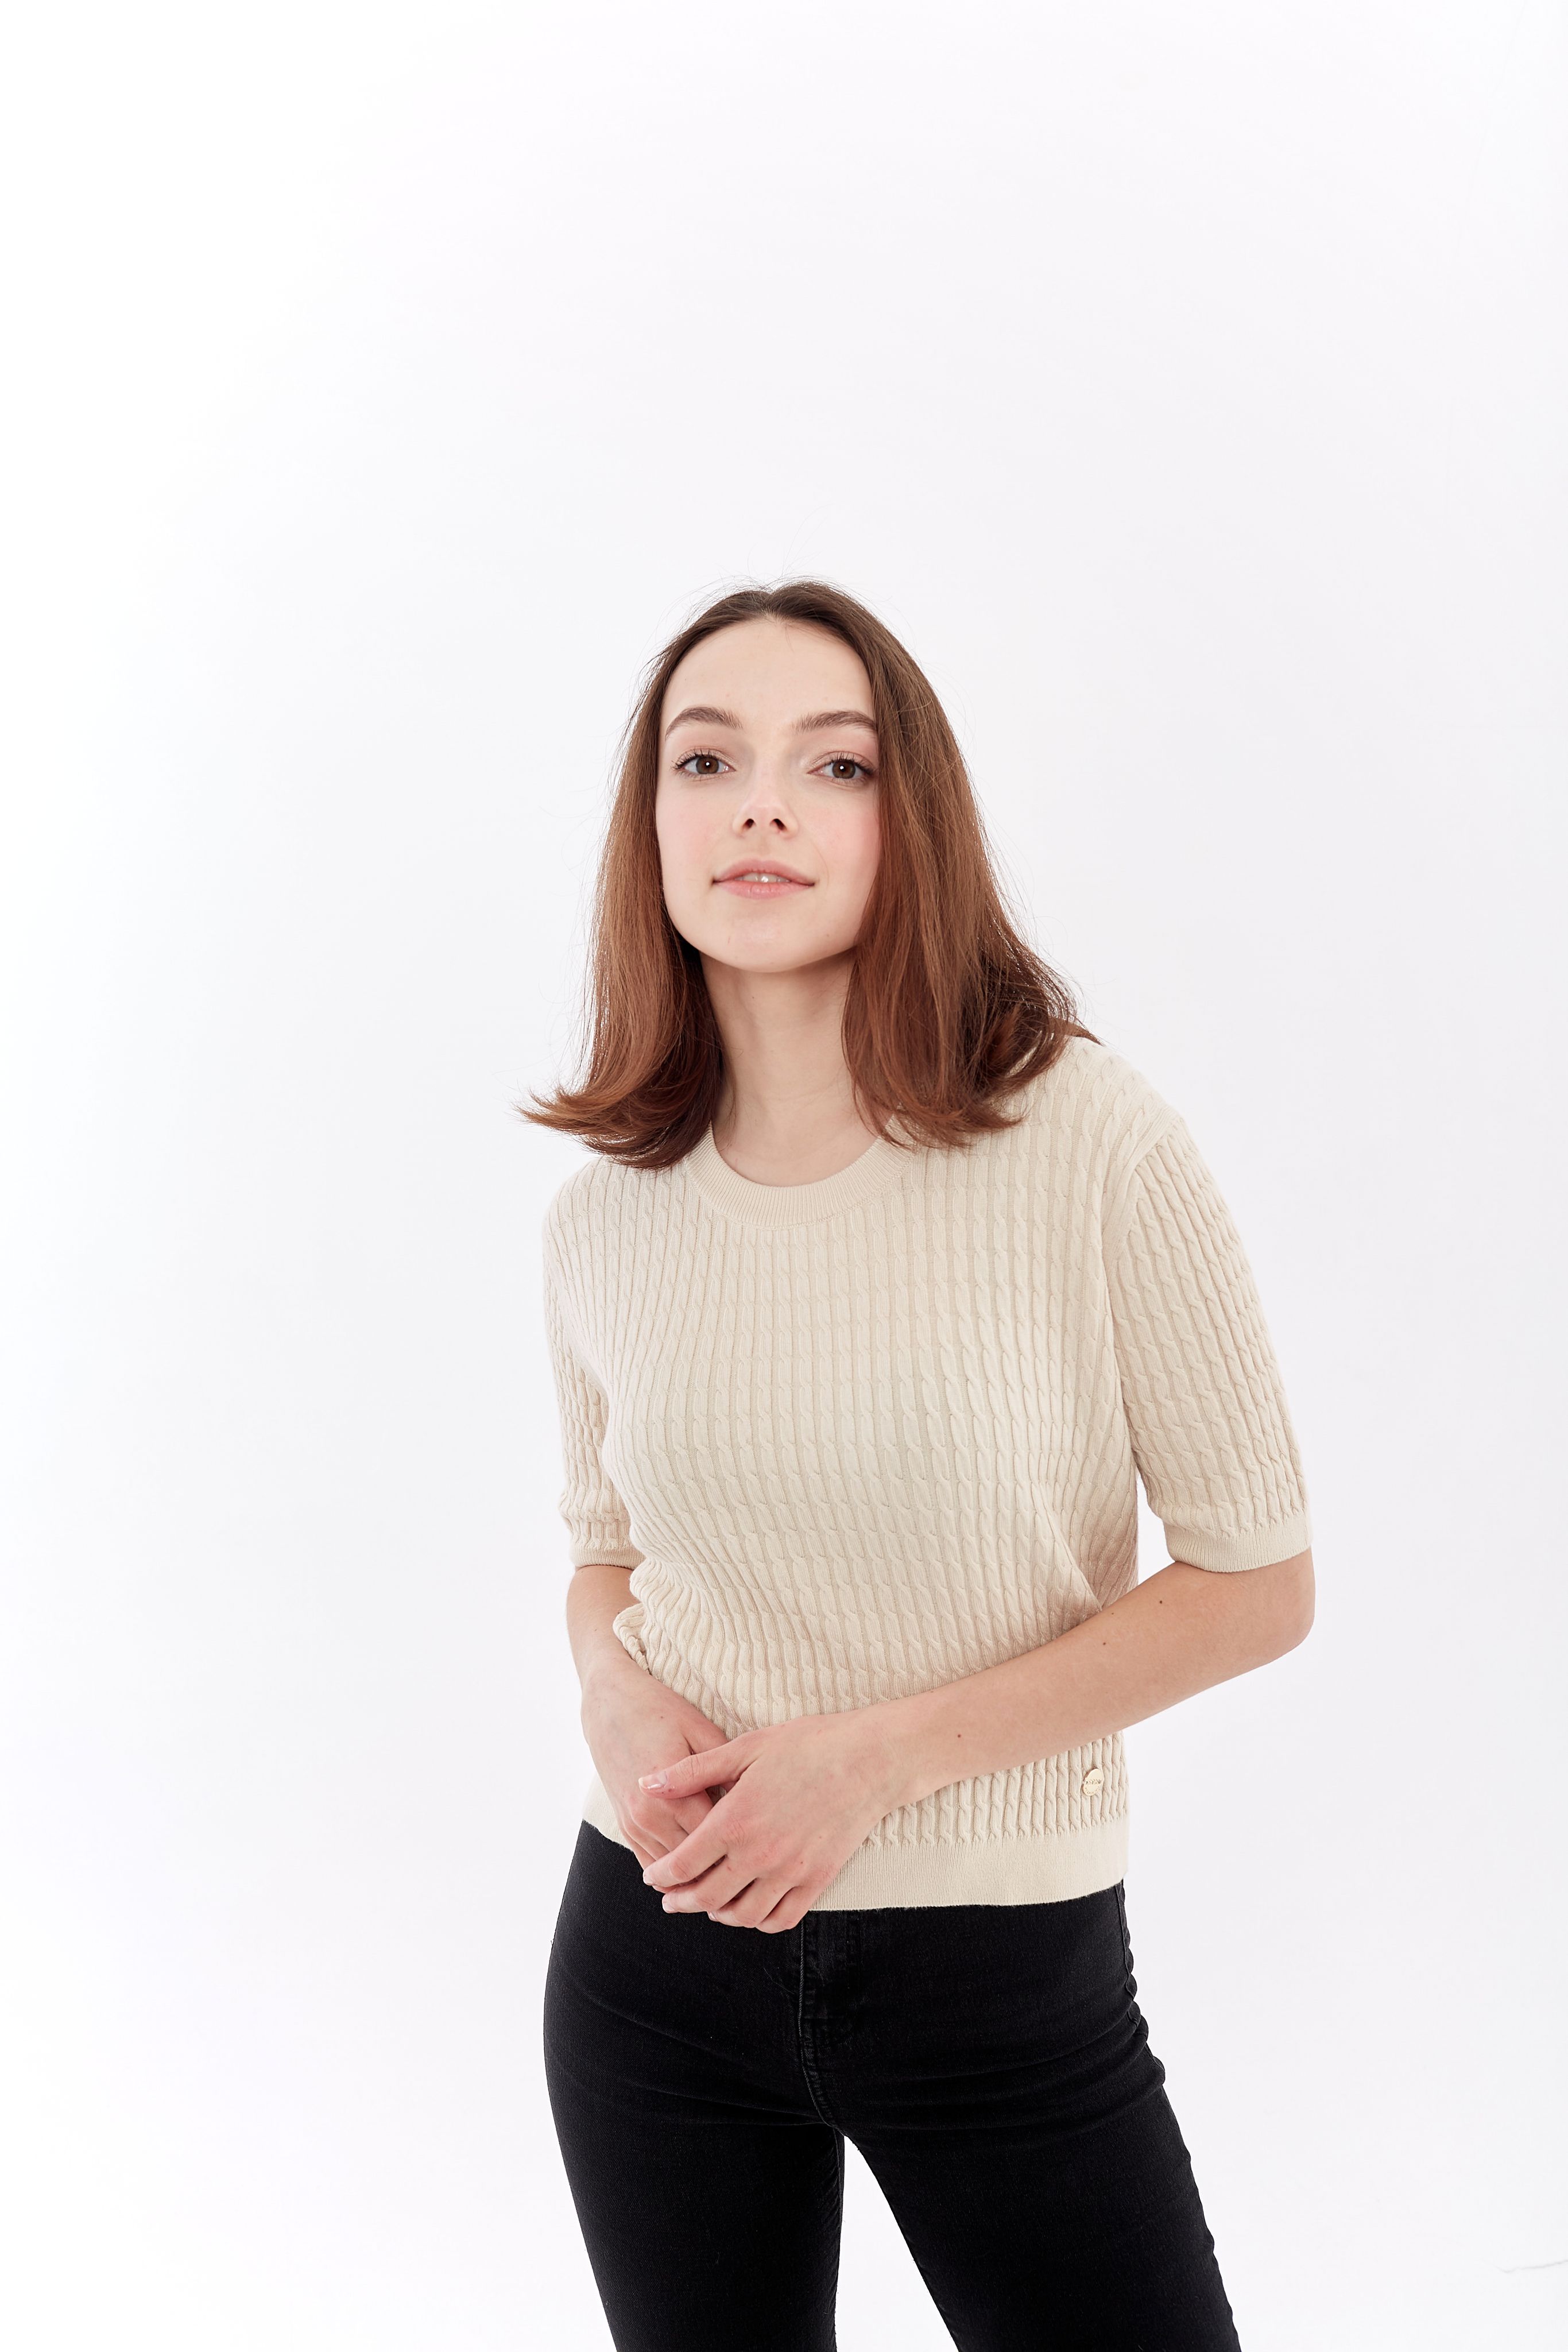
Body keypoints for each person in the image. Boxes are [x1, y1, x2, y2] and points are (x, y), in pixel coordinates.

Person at [522, 581, 1314, 2352]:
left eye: (835, 764)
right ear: (649, 823)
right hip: (650, 1973)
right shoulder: (603, 1217)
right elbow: (604, 1548)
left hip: (996, 1977)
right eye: (706, 760)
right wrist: (609, 1694)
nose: (760, 807)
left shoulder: (1085, 1139)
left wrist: (870, 1764)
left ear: (913, 820)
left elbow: (1256, 1585)